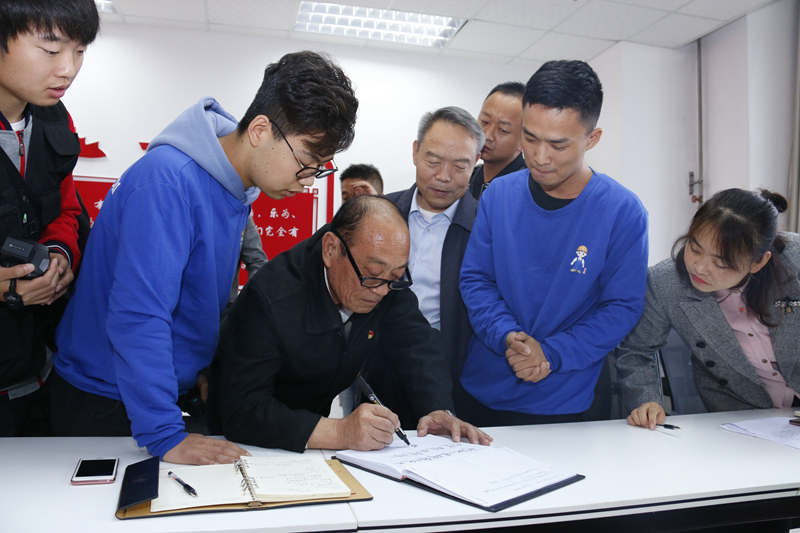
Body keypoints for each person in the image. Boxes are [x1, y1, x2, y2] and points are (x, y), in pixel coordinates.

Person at [50, 51, 359, 465]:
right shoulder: (169, 181)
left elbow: (196, 298)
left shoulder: (234, 189)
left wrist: (200, 367)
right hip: (106, 399)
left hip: (155, 396)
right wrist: (164, 434)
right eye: (306, 163)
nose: (307, 182)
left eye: (318, 169)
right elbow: (139, 315)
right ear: (260, 130)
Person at [209, 196, 491, 452]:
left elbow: (417, 343)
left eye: (395, 276)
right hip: (246, 443)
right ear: (331, 249)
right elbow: (242, 408)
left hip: (312, 434)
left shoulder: (385, 279)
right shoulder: (272, 296)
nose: (381, 291)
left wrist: (438, 408)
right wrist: (339, 432)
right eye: (372, 275)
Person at [458, 60, 648, 427]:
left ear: (592, 139)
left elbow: (621, 307)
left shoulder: (622, 211)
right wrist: (507, 335)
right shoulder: (498, 195)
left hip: (568, 398)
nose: (539, 157)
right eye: (530, 138)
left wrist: (550, 352)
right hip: (483, 388)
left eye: (558, 145)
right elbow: (476, 279)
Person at [616, 189, 800, 428]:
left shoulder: (795, 260)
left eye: (721, 263)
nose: (700, 268)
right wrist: (646, 401)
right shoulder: (665, 282)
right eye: (694, 249)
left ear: (759, 262)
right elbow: (637, 350)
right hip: (738, 413)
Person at [0, 0, 99, 437]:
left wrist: (59, 253)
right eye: (51, 49)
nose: (68, 69)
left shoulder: (56, 119)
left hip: (36, 368)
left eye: (79, 51)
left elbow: (66, 208)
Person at [363, 107, 483, 428]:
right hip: (378, 369)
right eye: (433, 161)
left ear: (476, 162)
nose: (444, 176)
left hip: (458, 378)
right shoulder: (377, 214)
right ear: (416, 152)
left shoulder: (487, 226)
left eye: (460, 166)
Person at [468, 82, 526, 200]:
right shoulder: (466, 177)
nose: (487, 135)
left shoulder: (530, 187)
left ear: (524, 140)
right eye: (485, 122)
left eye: (503, 130)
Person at [229, 214, 267, 305]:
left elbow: (257, 261)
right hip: (195, 301)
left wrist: (251, 298)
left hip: (226, 303)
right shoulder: (196, 211)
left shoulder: (240, 214)